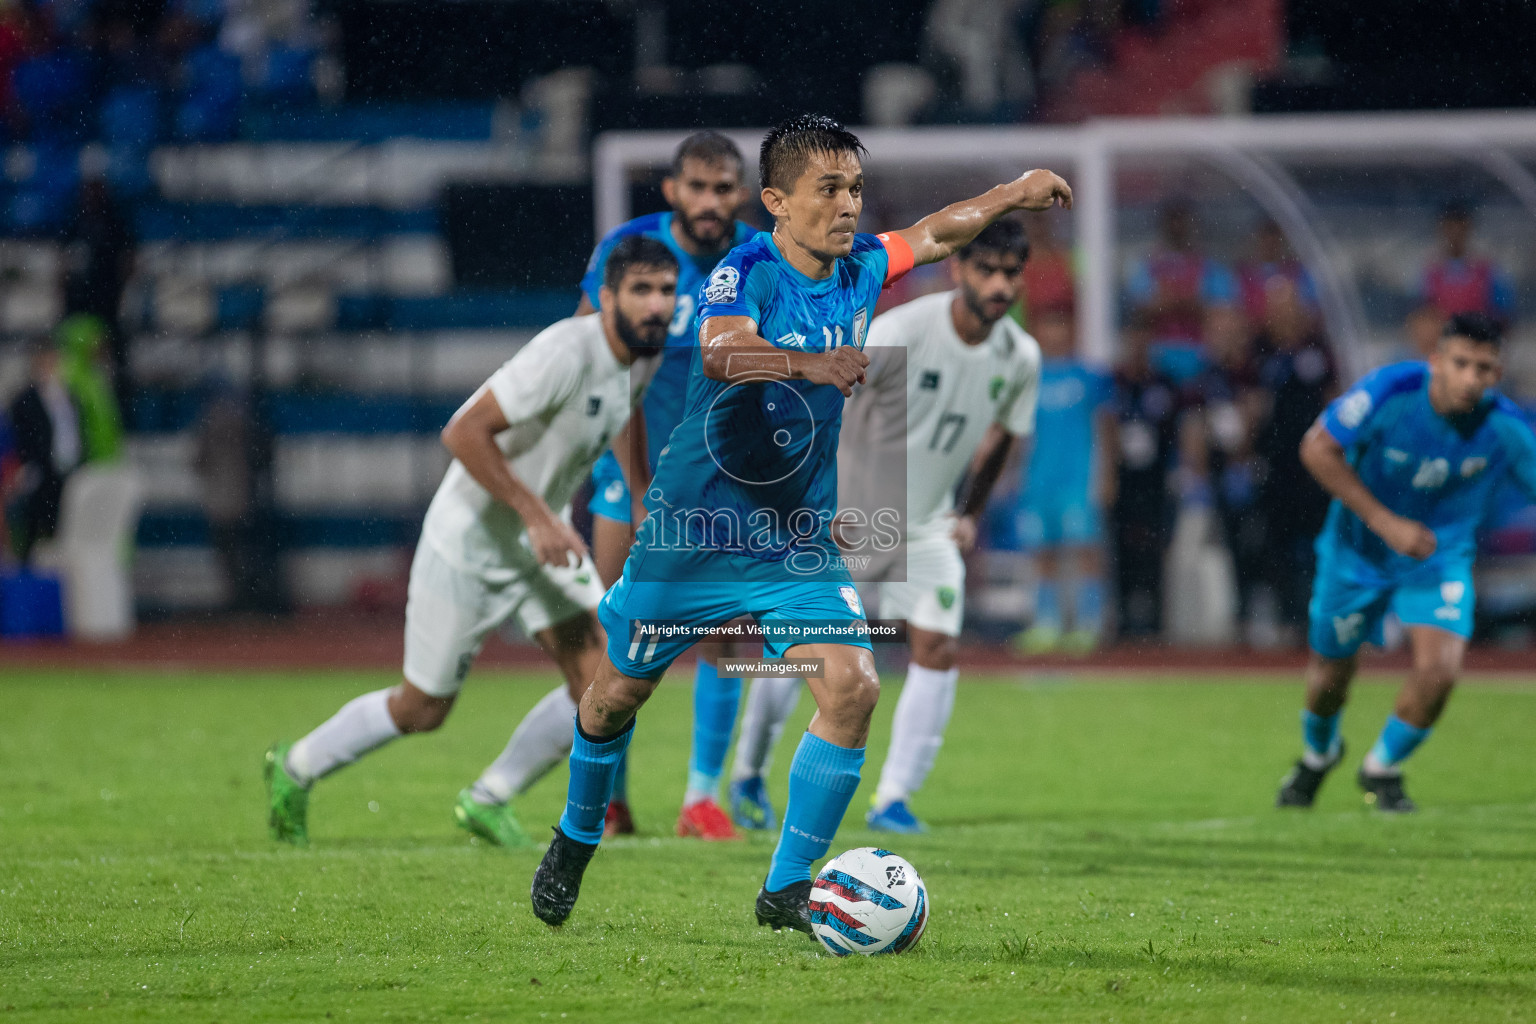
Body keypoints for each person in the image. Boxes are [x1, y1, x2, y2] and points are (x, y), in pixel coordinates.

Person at [528, 113, 1071, 934]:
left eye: (855, 188)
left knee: (852, 688)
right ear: (778, 200)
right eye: (830, 189)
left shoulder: (858, 268)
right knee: (612, 699)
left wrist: (1014, 195)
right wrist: (808, 363)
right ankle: (573, 840)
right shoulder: (745, 270)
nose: (849, 205)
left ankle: (785, 886)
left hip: (794, 541)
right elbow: (719, 351)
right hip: (695, 532)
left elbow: (933, 234)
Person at [262, 237, 676, 847]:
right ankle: (295, 765)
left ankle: (489, 799)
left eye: (666, 290)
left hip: (544, 546)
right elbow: (462, 432)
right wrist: (537, 515)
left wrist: (640, 496)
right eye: (641, 290)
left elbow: (626, 412)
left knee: (607, 681)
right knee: (423, 709)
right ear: (608, 297)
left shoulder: (642, 356)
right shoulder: (564, 350)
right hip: (471, 544)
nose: (657, 305)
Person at [726, 218, 1042, 835]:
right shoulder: (903, 331)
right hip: (846, 517)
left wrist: (969, 514)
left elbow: (1007, 432)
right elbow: (825, 400)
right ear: (958, 269)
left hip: (923, 527)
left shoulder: (1020, 356)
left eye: (1011, 273)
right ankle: (747, 776)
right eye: (988, 268)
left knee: (938, 645)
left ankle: (892, 798)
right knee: (800, 657)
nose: (1000, 284)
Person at [575, 131, 758, 841]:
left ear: (740, 193)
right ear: (672, 189)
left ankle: (700, 801)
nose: (710, 202)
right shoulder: (633, 250)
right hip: (629, 467)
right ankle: (610, 799)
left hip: (717, 476)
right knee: (614, 631)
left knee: (722, 633)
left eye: (723, 189)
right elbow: (597, 357)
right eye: (698, 187)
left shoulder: (755, 256)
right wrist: (639, 480)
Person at [1276, 313, 1536, 813]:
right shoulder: (1390, 390)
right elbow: (1317, 450)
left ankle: (1381, 769)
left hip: (1438, 561)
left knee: (1439, 672)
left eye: (1483, 369)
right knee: (1330, 678)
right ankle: (1318, 755)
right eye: (1460, 363)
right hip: (1358, 553)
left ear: (1495, 375)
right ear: (1436, 361)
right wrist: (1385, 522)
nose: (1470, 378)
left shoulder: (1506, 428)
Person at [1011, 307, 1113, 653]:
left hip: (1078, 480)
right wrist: (1011, 473)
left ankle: (1089, 624)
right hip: (1038, 480)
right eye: (1048, 327)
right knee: (1043, 554)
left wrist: (1107, 474)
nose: (1054, 334)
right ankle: (1047, 625)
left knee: (1085, 551)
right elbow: (1017, 433)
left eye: (1061, 327)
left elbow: (1105, 428)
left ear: (1071, 332)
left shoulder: (1089, 377)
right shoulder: (1028, 377)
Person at [1107, 317, 1181, 638]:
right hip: (1123, 478)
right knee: (1122, 550)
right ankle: (1124, 620)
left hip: (1155, 480)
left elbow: (1177, 431)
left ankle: (1155, 623)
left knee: (1155, 549)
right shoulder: (1114, 384)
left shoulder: (1163, 384)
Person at [1123, 201, 1238, 383]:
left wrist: (1171, 300)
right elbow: (1140, 308)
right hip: (1157, 357)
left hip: (1202, 355)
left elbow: (1221, 310)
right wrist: (1188, 301)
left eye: (1182, 221)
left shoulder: (1208, 265)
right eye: (1173, 221)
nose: (1177, 227)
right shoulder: (1148, 266)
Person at [8, 338, 83, 563]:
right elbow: (22, 438)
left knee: (61, 531)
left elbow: (74, 432)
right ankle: (28, 575)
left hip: (67, 470)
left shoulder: (69, 396)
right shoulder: (25, 400)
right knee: (33, 531)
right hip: (40, 472)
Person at [1417, 203, 1515, 327]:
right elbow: (1420, 314)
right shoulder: (1429, 271)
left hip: (1478, 338)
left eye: (1460, 228)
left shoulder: (1487, 269)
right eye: (1450, 228)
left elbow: (1504, 313)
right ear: (1441, 230)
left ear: (1468, 229)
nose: (1455, 234)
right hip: (1443, 340)